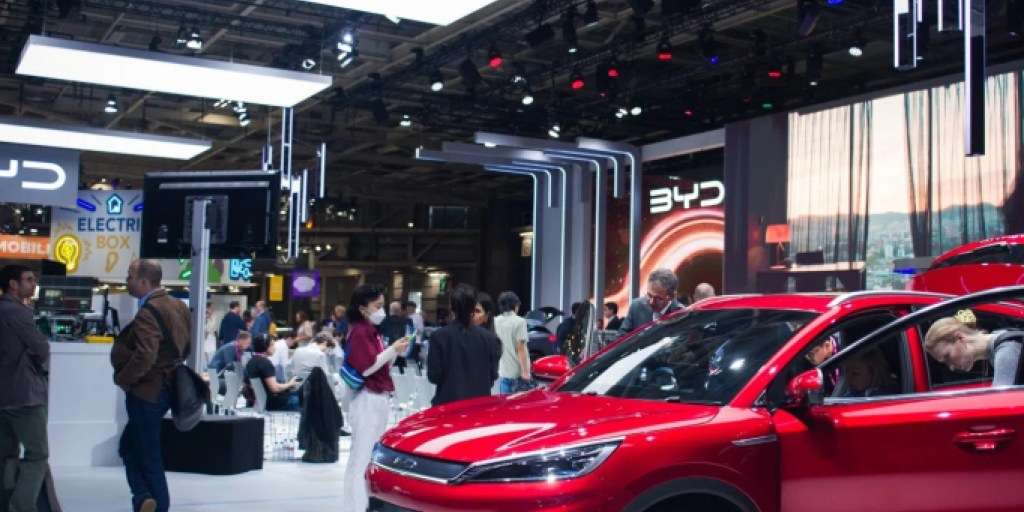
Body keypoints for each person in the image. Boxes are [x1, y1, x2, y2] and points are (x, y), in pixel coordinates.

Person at [110, 259, 190, 512]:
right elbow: (187, 347)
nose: (127, 281)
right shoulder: (179, 306)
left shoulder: (148, 312)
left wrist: (123, 378)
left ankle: (154, 503)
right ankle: (144, 498)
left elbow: (145, 355)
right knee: (130, 446)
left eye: (129, 276)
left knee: (148, 456)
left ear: (143, 281)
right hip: (166, 388)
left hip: (147, 392)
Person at [341, 285, 410, 512]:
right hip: (367, 398)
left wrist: (394, 351)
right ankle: (354, 506)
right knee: (361, 457)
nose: (381, 310)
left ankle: (361, 504)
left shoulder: (372, 331)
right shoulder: (361, 332)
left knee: (367, 455)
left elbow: (380, 365)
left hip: (377, 396)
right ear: (363, 308)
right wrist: (392, 350)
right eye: (377, 306)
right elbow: (367, 367)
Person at [0, 265, 51, 512]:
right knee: (37, 455)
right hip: (24, 396)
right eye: (29, 280)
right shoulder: (18, 313)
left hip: (4, 396)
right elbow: (41, 348)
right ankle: (21, 507)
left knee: (5, 456)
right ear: (13, 284)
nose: (33, 284)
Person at [428, 285, 502, 406]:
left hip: (447, 404)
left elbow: (434, 376)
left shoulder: (438, 336)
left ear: (451, 307)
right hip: (479, 405)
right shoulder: (489, 338)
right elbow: (493, 375)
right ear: (473, 306)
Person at [924, 311, 1023, 387]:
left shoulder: (1006, 351)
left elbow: (1001, 402)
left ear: (960, 337)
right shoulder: (1001, 340)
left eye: (947, 356)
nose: (951, 367)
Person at [618, 268, 685, 336]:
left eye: (658, 298)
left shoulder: (681, 315)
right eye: (649, 295)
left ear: (672, 296)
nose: (651, 302)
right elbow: (621, 337)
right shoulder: (636, 306)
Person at [245, 334, 301, 411]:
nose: (275, 347)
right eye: (272, 344)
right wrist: (290, 384)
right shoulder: (265, 363)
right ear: (265, 346)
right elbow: (275, 388)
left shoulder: (251, 362)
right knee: (303, 400)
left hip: (260, 400)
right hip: (273, 402)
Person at [494, 291, 531, 394]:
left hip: (503, 371)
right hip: (517, 374)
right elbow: (521, 348)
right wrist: (526, 372)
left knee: (504, 402)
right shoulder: (519, 322)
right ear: (515, 306)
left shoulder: (495, 321)